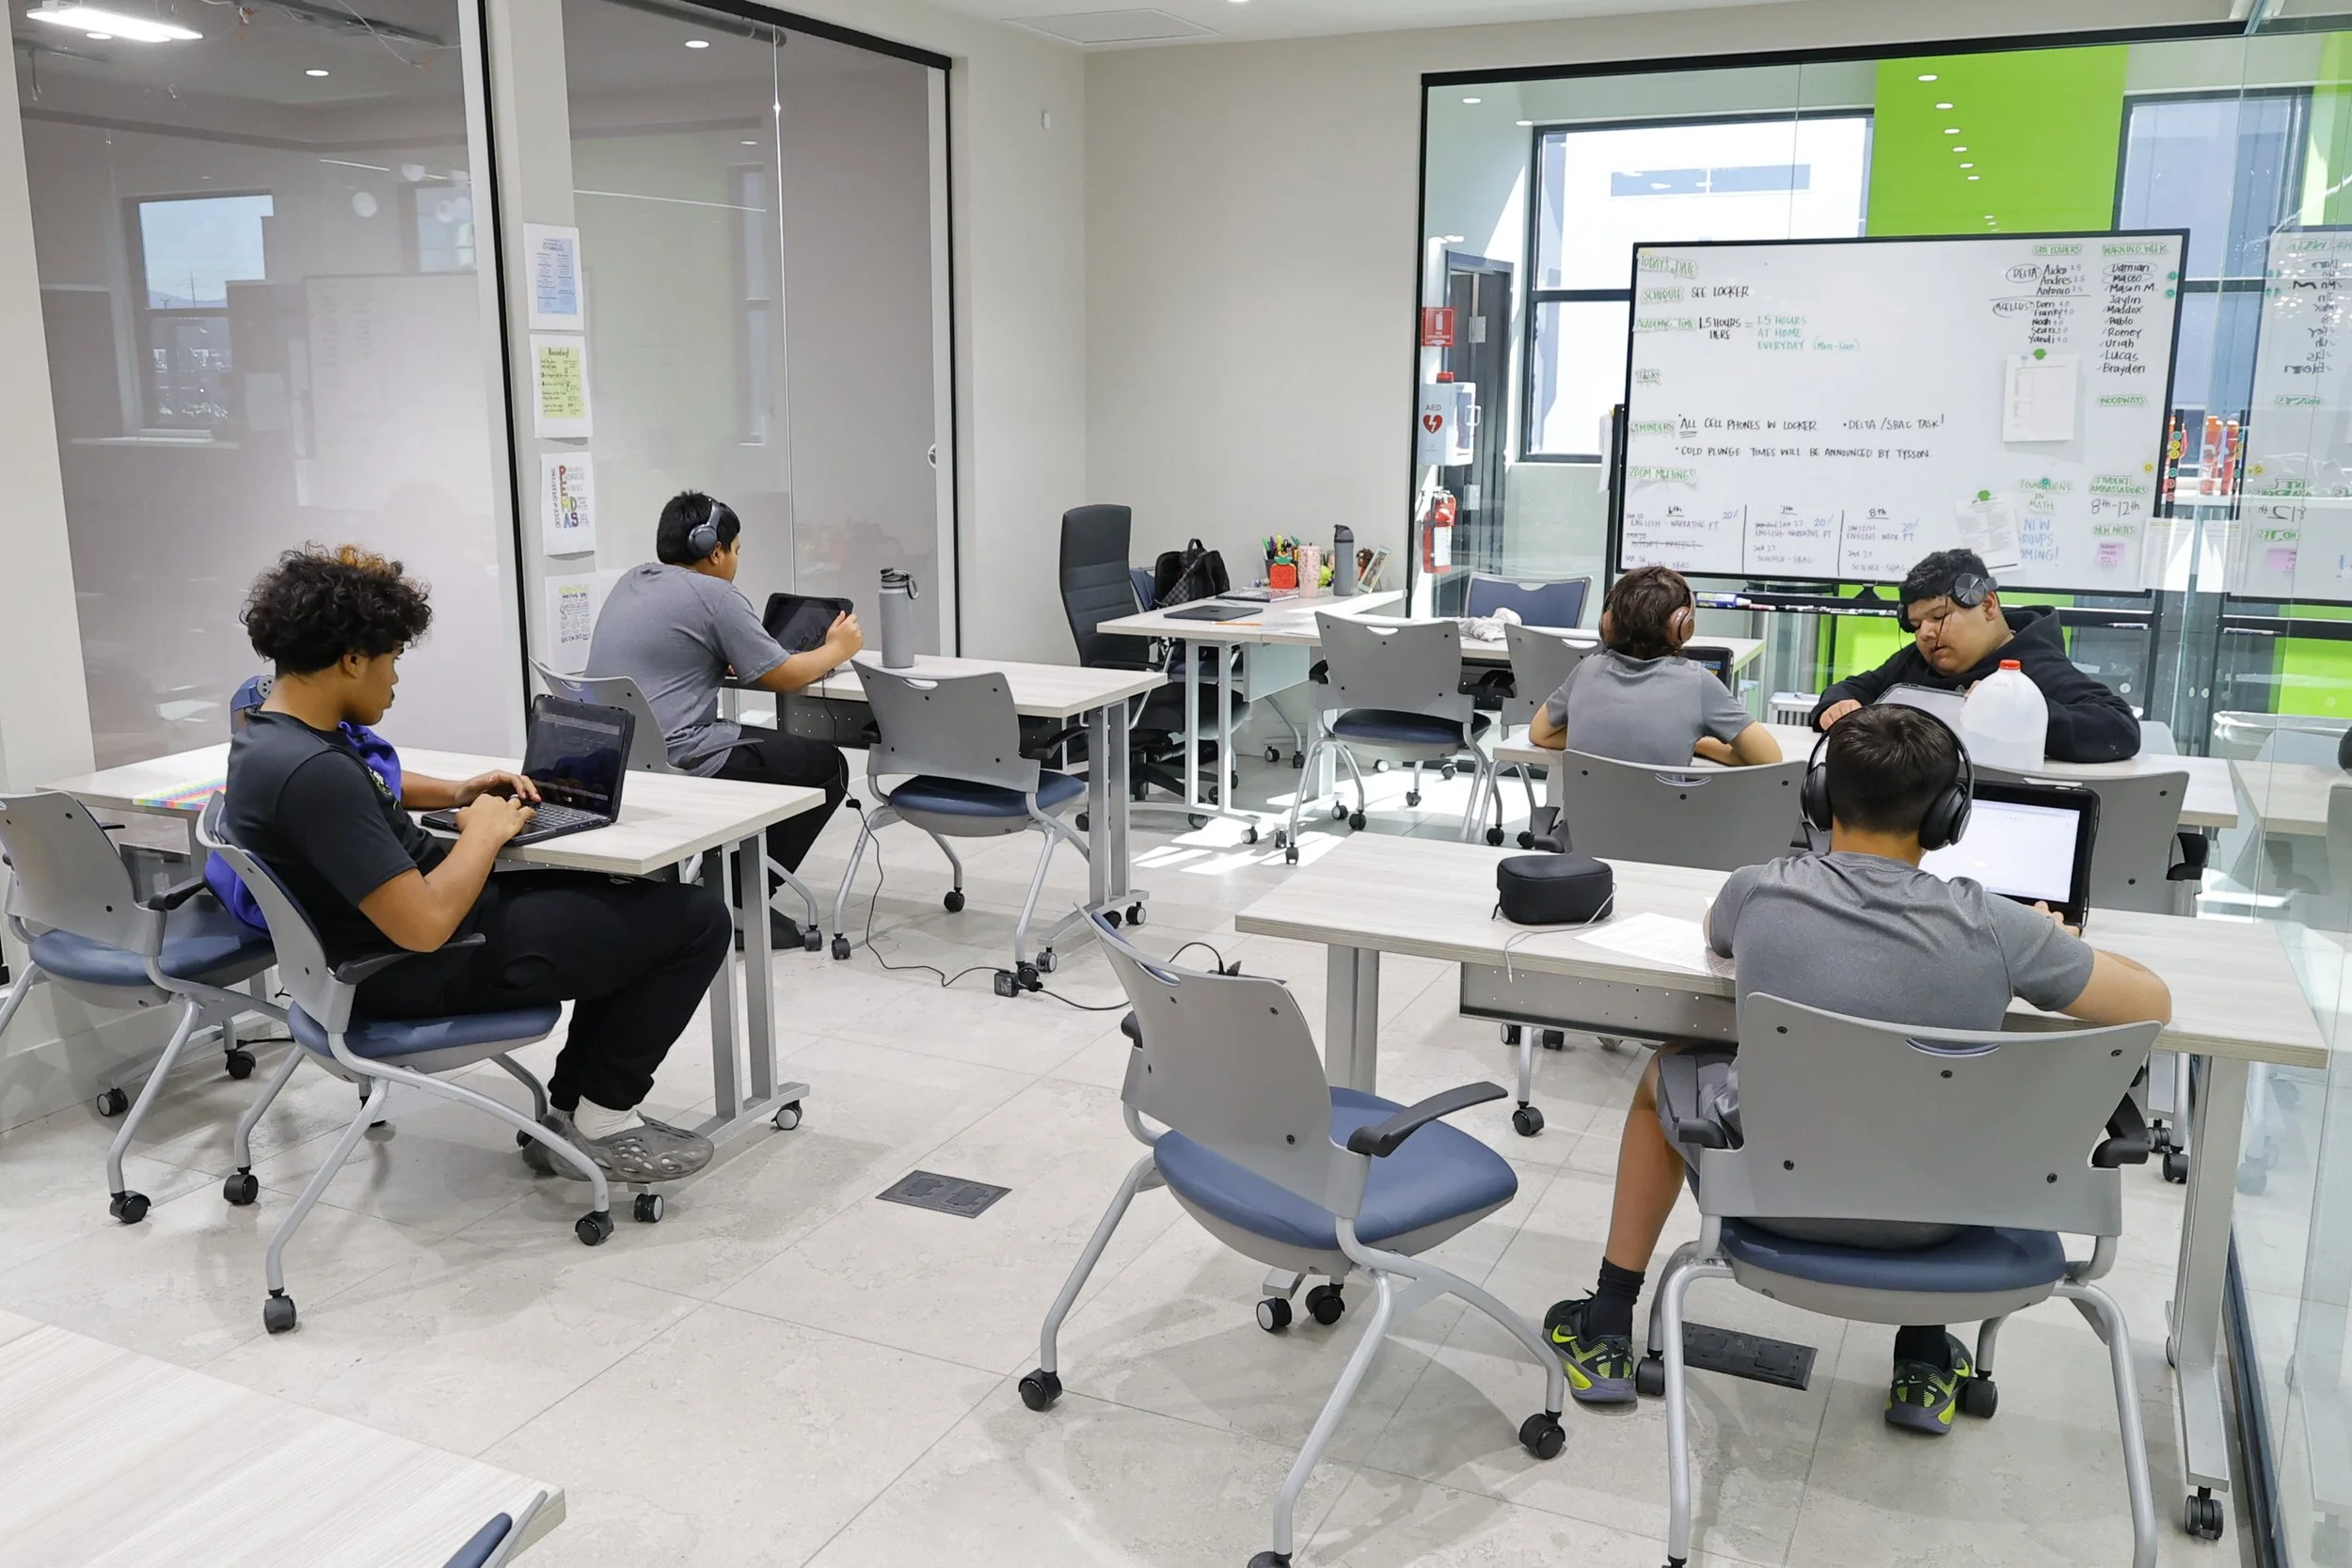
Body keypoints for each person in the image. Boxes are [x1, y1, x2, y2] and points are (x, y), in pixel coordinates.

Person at [1542, 705, 2172, 1434]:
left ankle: (1609, 1319)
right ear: (1948, 817)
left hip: (1775, 1198)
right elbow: (2150, 1002)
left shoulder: (1760, 889)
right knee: (1939, 1096)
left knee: (1668, 1069)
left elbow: (1717, 931)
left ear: (1818, 797)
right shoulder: (2001, 928)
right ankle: (1926, 1352)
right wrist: (2057, 942)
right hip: (1949, 1219)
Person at [222, 546, 731, 1182]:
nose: (396, 680)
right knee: (696, 920)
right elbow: (425, 925)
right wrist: (484, 834)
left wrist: (462, 795)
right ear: (351, 659)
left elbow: (371, 794)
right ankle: (599, 1120)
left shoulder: (267, 736)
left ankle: (572, 1111)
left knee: (616, 891)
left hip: (372, 954)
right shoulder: (315, 774)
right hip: (416, 966)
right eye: (392, 661)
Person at [587, 491, 860, 943]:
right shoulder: (716, 595)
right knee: (827, 766)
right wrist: (838, 648)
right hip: (681, 753)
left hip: (617, 752)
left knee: (774, 749)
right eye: (735, 550)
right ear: (714, 550)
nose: (736, 560)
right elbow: (786, 676)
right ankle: (735, 900)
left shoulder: (631, 580)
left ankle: (718, 887)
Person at [1810, 548, 2140, 763]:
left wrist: (2020, 711)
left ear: (1987, 605)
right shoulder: (1916, 661)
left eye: (1939, 618)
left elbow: (2120, 728)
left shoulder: (2036, 665)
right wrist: (1836, 705)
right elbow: (1855, 688)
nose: (1925, 633)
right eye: (1916, 625)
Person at [1527, 565, 1782, 768]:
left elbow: (1540, 733)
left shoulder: (1587, 671)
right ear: (1683, 627)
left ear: (1609, 622)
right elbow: (1768, 757)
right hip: (1668, 833)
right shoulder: (1698, 683)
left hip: (1583, 833)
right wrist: (1695, 744)